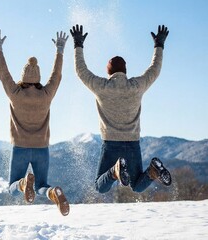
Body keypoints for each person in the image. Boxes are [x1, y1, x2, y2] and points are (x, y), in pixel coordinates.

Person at [70, 24, 172, 194]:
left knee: (99, 186)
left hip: (111, 144)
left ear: (109, 72)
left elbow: (81, 71)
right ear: (125, 70)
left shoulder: (101, 87)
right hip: (132, 143)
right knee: (138, 186)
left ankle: (114, 171)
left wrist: (78, 45)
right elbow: (154, 70)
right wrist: (159, 45)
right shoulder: (136, 86)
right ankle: (153, 170)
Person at [0, 29, 70, 216]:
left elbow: (3, 73)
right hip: (42, 148)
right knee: (42, 185)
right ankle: (51, 192)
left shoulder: (15, 94)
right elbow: (56, 75)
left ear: (23, 76)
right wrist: (59, 50)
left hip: (20, 148)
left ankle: (23, 183)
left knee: (12, 187)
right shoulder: (46, 95)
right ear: (38, 77)